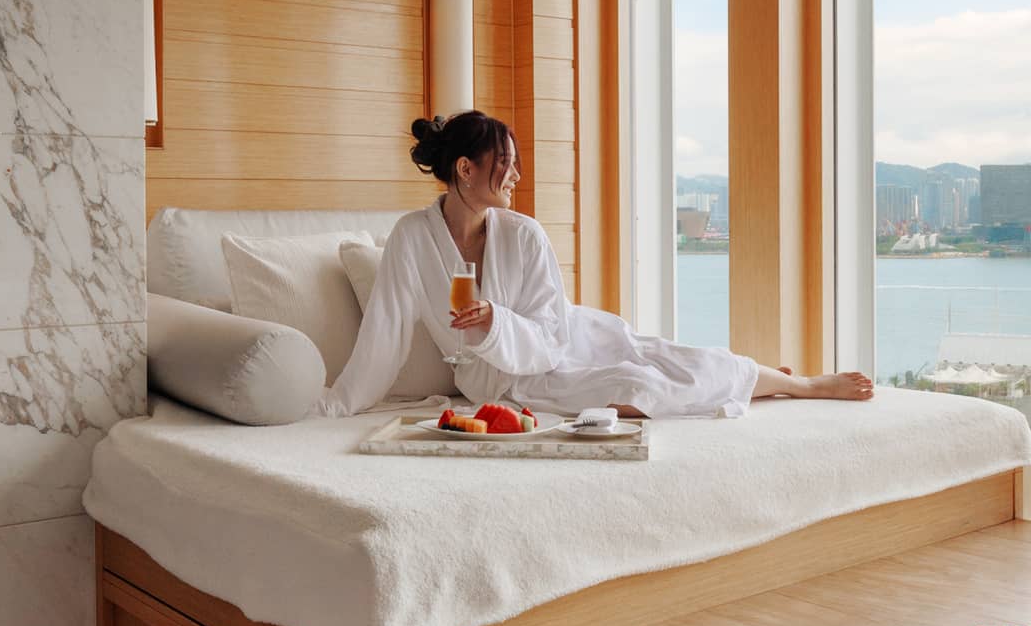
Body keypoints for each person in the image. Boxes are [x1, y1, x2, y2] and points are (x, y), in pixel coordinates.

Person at [314, 111, 872, 418]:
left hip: (567, 342)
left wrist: (496, 323)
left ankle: (800, 384)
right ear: (465, 168)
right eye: (505, 163)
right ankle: (761, 381)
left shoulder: (524, 234)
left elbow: (552, 331)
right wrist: (336, 405)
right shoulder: (413, 238)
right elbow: (384, 334)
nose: (516, 176)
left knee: (670, 359)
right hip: (504, 382)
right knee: (635, 387)